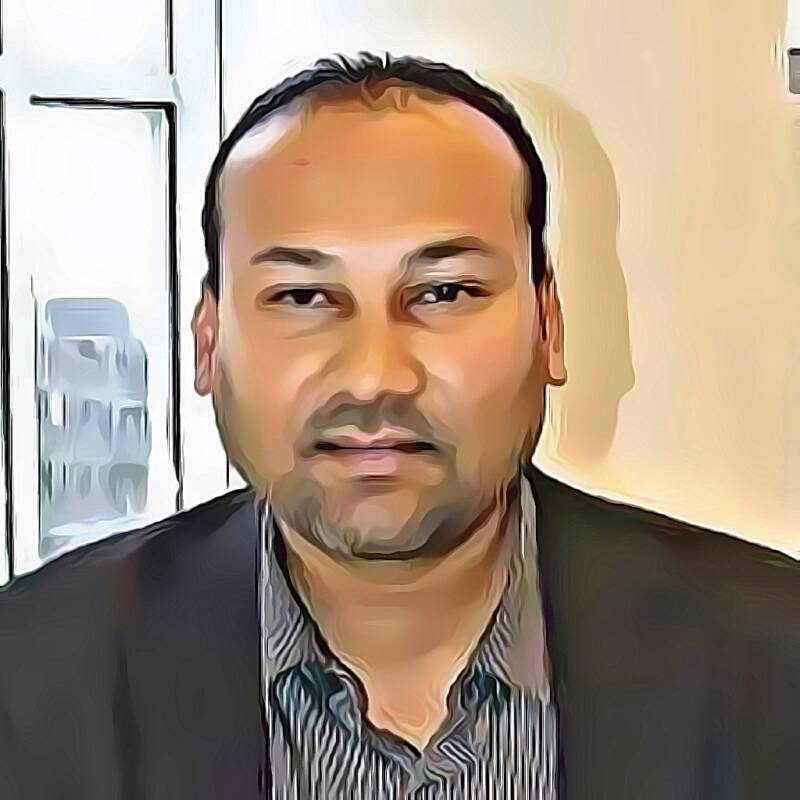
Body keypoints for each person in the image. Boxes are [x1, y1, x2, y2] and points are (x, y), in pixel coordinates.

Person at [0, 52, 798, 800]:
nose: (375, 375)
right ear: (208, 341)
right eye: (303, 298)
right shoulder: (30, 684)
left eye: (445, 293)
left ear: (548, 327)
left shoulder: (774, 662)